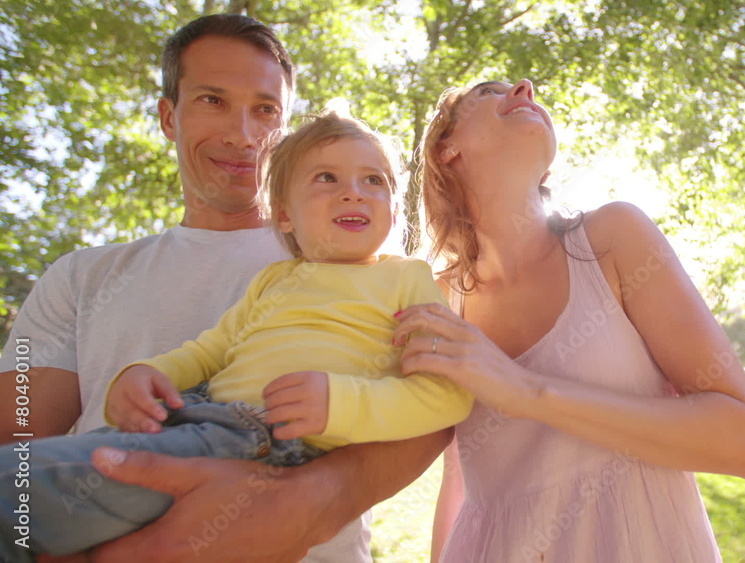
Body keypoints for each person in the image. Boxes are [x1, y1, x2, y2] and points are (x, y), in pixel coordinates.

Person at [0, 14, 449, 562]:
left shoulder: (375, 266)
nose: (242, 134)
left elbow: (438, 409)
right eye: (212, 100)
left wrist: (299, 505)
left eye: (266, 109)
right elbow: (17, 441)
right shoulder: (81, 276)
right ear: (169, 116)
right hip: (143, 458)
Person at [392, 79, 745, 561]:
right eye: (489, 92)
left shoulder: (614, 239)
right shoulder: (436, 299)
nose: (525, 88)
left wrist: (527, 392)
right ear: (446, 149)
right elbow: (458, 481)